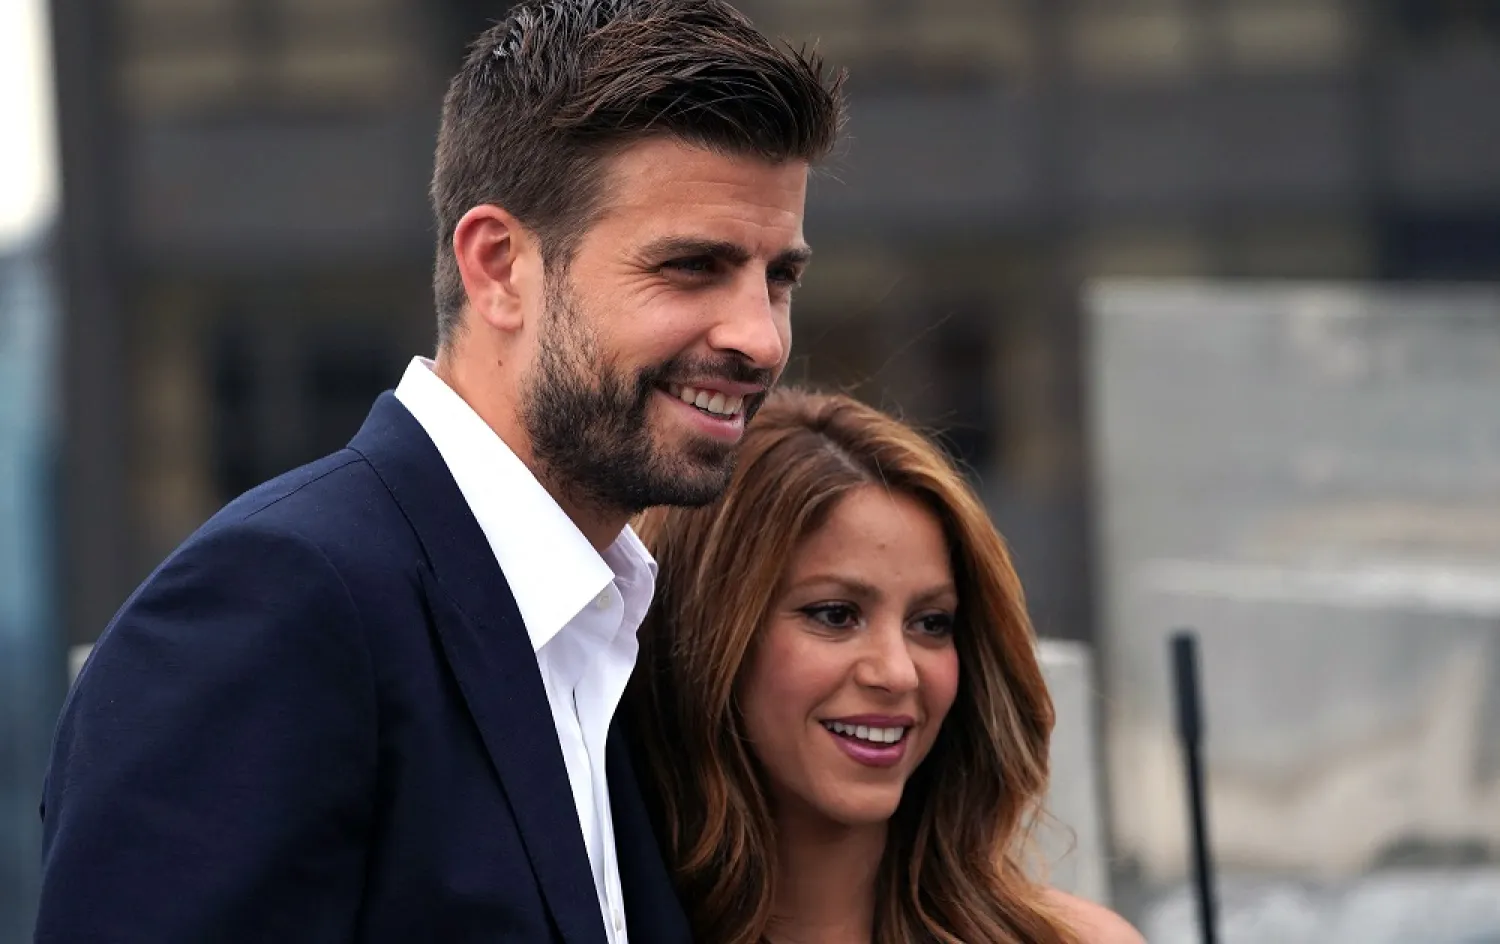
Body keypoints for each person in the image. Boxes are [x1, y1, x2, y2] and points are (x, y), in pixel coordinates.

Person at [36, 2, 845, 941]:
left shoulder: (612, 635)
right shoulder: (275, 607)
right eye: (693, 267)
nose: (758, 336)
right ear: (498, 266)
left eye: (778, 279)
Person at [625, 388, 1146, 944]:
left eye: (931, 623)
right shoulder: (591, 920)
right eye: (835, 615)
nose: (898, 673)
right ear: (703, 631)